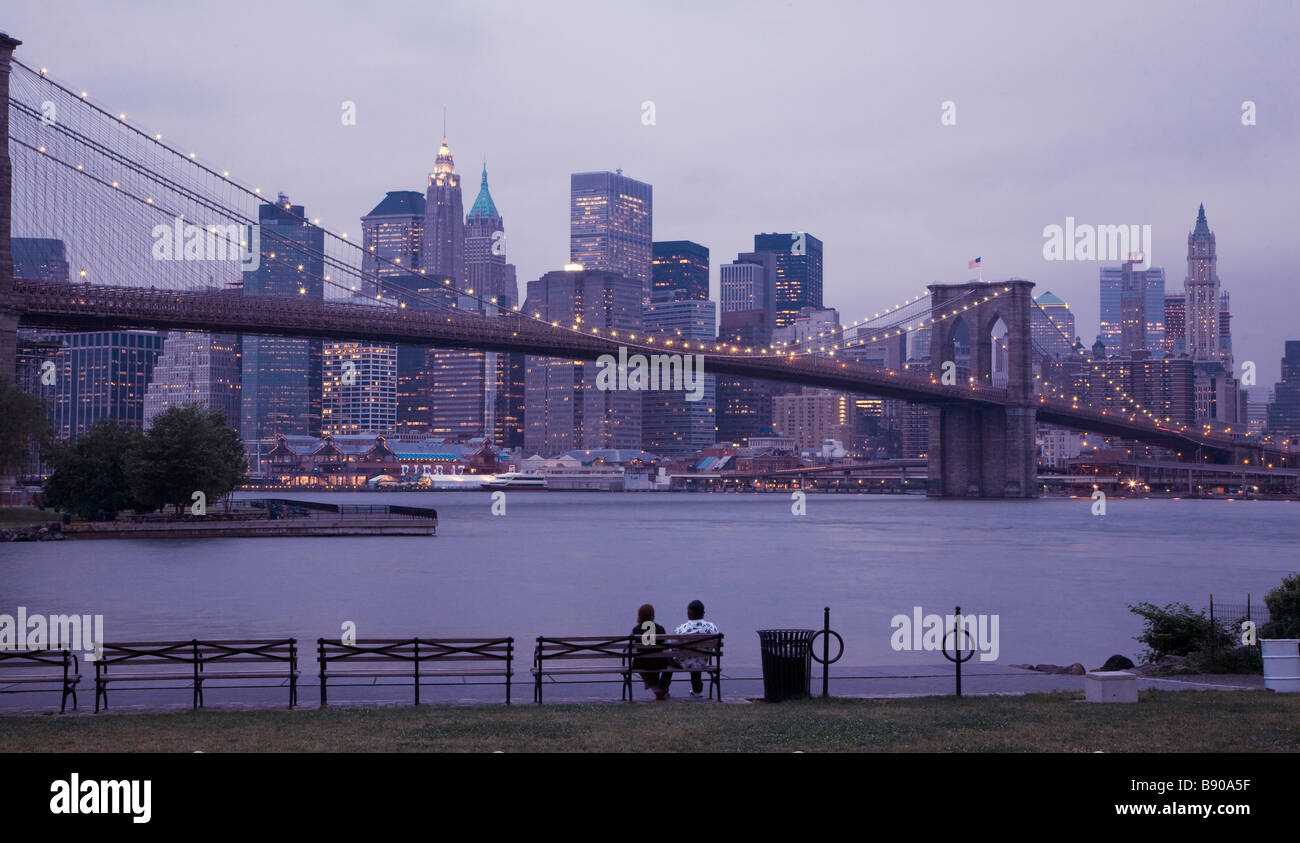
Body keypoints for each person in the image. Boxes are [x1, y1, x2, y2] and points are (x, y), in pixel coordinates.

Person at [674, 600, 720, 697]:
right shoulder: (712, 627)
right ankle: (697, 691)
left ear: (689, 612)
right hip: (702, 662)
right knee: (696, 659)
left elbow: (673, 648)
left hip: (682, 663)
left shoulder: (681, 629)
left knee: (670, 660)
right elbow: (717, 646)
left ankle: (664, 688)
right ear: (702, 613)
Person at [630, 603, 672, 700]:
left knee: (641, 660)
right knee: (664, 659)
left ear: (639, 616)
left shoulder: (635, 630)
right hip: (659, 664)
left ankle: (655, 688)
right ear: (653, 615)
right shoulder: (661, 629)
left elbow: (632, 649)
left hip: (641, 664)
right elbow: (666, 648)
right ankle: (660, 688)